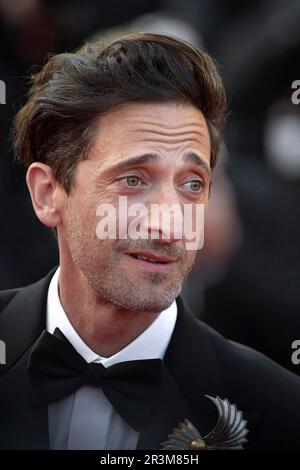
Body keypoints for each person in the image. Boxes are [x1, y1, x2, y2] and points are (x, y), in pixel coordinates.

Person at [0, 33, 299, 451]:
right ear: (48, 194)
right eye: (134, 180)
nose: (169, 223)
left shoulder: (280, 411)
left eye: (192, 185)